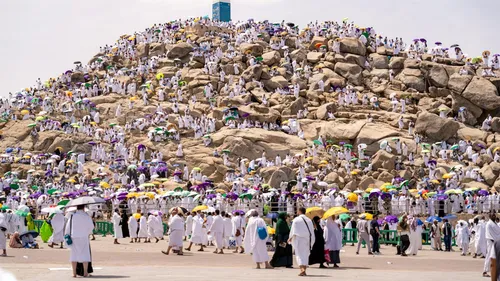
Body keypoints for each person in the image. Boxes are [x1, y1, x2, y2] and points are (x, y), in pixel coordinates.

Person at [65, 204, 94, 278]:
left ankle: (74, 273)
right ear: (84, 208)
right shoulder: (86, 216)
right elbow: (91, 227)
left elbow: (68, 227)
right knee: (85, 254)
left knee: (74, 254)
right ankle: (85, 272)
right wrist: (87, 232)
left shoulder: (72, 216)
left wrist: (67, 234)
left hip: (74, 236)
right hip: (84, 236)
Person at [289, 207, 315, 276]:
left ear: (299, 211)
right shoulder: (309, 220)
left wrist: (290, 238)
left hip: (299, 239)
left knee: (299, 254)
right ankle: (304, 270)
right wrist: (312, 240)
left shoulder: (296, 220)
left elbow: (293, 231)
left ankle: (302, 269)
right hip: (307, 239)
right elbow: (312, 232)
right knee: (305, 255)